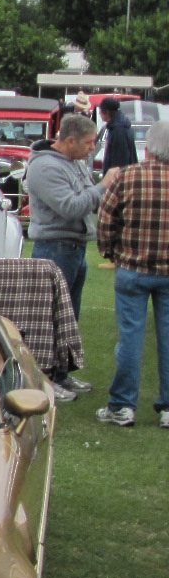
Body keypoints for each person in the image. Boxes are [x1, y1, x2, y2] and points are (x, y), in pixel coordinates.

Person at [26, 113, 119, 396]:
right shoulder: (45, 168)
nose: (93, 149)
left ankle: (62, 373)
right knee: (50, 316)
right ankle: (45, 377)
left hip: (75, 247)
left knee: (69, 316)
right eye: (89, 143)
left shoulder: (74, 163)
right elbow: (71, 207)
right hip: (55, 248)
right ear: (69, 141)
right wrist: (103, 186)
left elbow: (84, 199)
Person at [94, 120, 169, 427]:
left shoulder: (127, 176)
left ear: (148, 147)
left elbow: (106, 219)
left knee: (130, 339)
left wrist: (111, 252)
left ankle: (123, 405)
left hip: (132, 269)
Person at [99, 97, 139, 172]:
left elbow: (120, 161)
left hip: (119, 179)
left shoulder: (118, 130)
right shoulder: (120, 126)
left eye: (100, 111)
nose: (99, 114)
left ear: (107, 112)